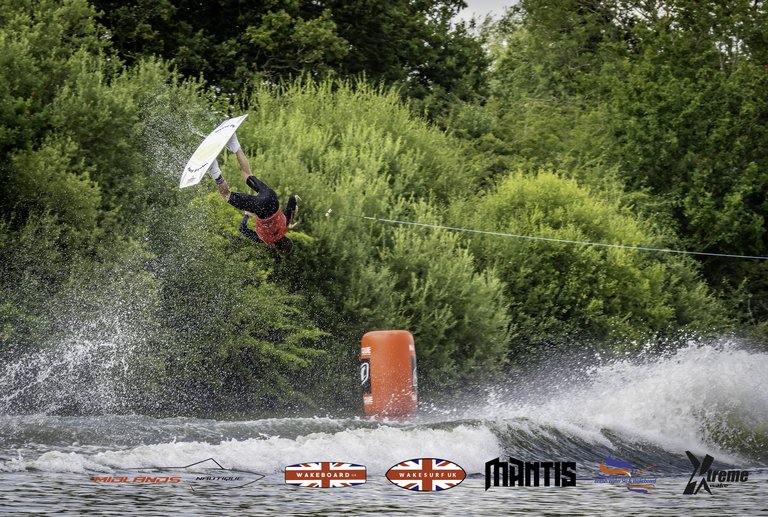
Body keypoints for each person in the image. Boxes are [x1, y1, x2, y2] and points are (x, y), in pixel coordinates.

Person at [207, 131, 298, 256]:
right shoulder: (264, 240)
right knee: (226, 195)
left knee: (247, 174)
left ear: (287, 238)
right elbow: (243, 229)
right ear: (277, 249)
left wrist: (292, 217)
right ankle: (214, 170)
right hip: (259, 206)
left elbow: (292, 198)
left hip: (271, 198)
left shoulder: (286, 225)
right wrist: (247, 216)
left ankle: (235, 144)